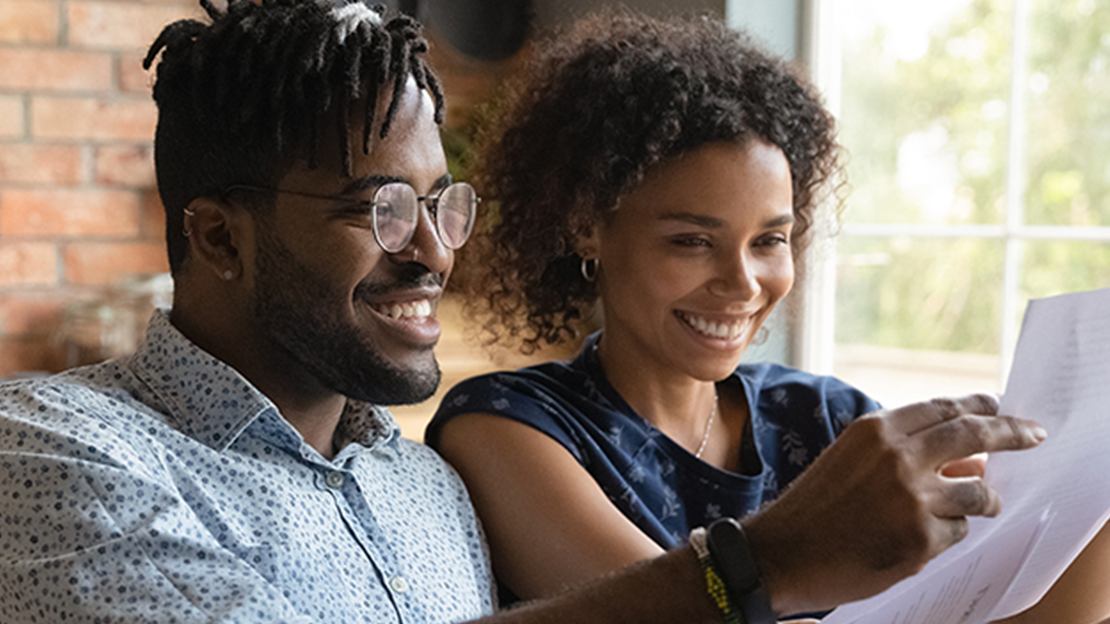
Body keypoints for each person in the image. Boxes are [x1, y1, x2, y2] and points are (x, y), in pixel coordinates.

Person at [0, 2, 1045, 623]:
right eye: (382, 209)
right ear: (221, 237)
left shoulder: (424, 486)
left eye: (441, 204)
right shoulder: (54, 449)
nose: (433, 251)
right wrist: (757, 563)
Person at [425, 10, 1109, 623]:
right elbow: (666, 610)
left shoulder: (828, 420)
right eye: (692, 242)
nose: (743, 283)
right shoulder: (504, 430)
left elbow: (1038, 592)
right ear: (585, 228)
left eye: (770, 241)